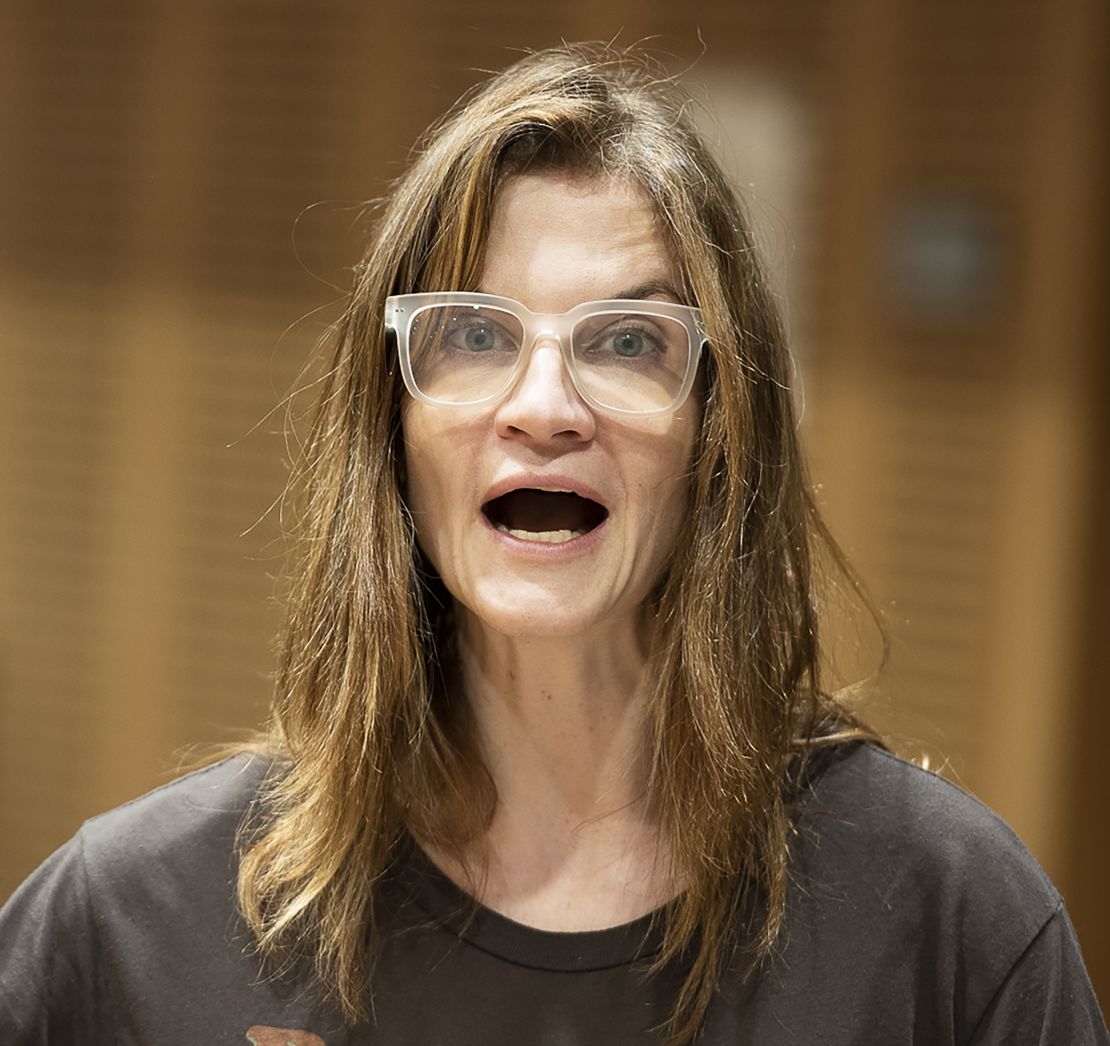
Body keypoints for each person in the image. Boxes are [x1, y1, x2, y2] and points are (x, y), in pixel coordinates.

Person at [1, 42, 1106, 1046]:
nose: (544, 405)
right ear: (392, 425)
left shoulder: (949, 923)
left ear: (717, 432)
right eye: (473, 333)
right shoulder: (133, 921)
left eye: (627, 341)